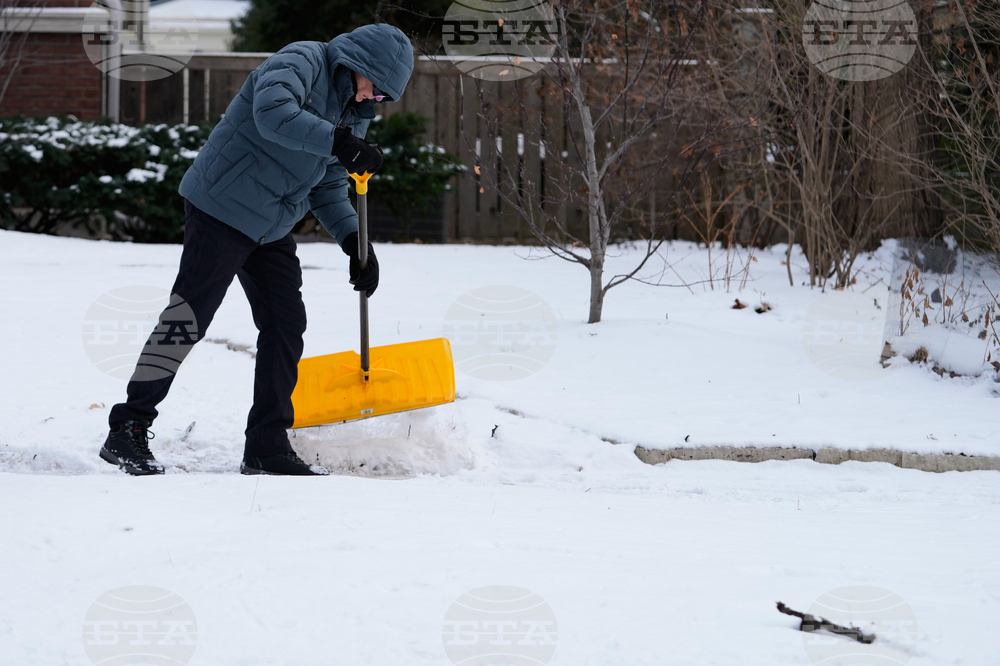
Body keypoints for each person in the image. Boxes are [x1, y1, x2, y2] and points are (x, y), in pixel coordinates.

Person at [99, 24, 415, 476]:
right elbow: (274, 113)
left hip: (271, 224)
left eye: (384, 99)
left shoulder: (353, 109)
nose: (374, 102)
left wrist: (354, 241)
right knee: (188, 317)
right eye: (378, 91)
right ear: (362, 67)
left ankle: (266, 445)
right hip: (221, 206)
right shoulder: (302, 59)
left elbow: (328, 181)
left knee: (286, 323)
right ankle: (127, 427)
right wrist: (339, 141)